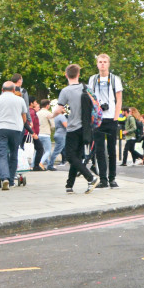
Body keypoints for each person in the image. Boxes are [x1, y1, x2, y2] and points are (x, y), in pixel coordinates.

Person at [55, 64, 96, 194]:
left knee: (70, 156)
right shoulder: (87, 88)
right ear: (78, 74)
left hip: (73, 127)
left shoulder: (66, 91)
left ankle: (90, 177)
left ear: (66, 75)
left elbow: (59, 109)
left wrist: (51, 115)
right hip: (86, 127)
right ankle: (69, 185)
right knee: (77, 156)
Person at [87, 53, 123, 188]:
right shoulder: (93, 79)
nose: (102, 64)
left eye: (105, 62)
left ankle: (112, 178)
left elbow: (119, 99)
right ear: (97, 64)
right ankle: (103, 179)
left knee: (112, 150)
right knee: (99, 150)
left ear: (108, 64)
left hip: (111, 118)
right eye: (100, 62)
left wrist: (116, 116)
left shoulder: (115, 79)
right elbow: (90, 97)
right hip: (98, 119)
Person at [0, 81, 28, 190]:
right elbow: (24, 118)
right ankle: (11, 181)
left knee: (2, 154)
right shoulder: (20, 100)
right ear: (14, 90)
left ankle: (4, 178)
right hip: (16, 129)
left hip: (0, 129)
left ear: (2, 89)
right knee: (14, 153)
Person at [35, 99, 54, 171]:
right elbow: (53, 125)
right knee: (47, 151)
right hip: (46, 134)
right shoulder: (48, 113)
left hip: (38, 133)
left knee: (38, 150)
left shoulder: (37, 113)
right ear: (47, 105)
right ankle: (41, 162)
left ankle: (34, 164)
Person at [49, 104, 68, 170]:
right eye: (63, 108)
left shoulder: (56, 117)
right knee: (57, 151)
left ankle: (63, 160)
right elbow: (66, 126)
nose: (64, 109)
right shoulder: (61, 117)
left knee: (59, 149)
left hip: (57, 133)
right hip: (61, 134)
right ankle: (50, 165)